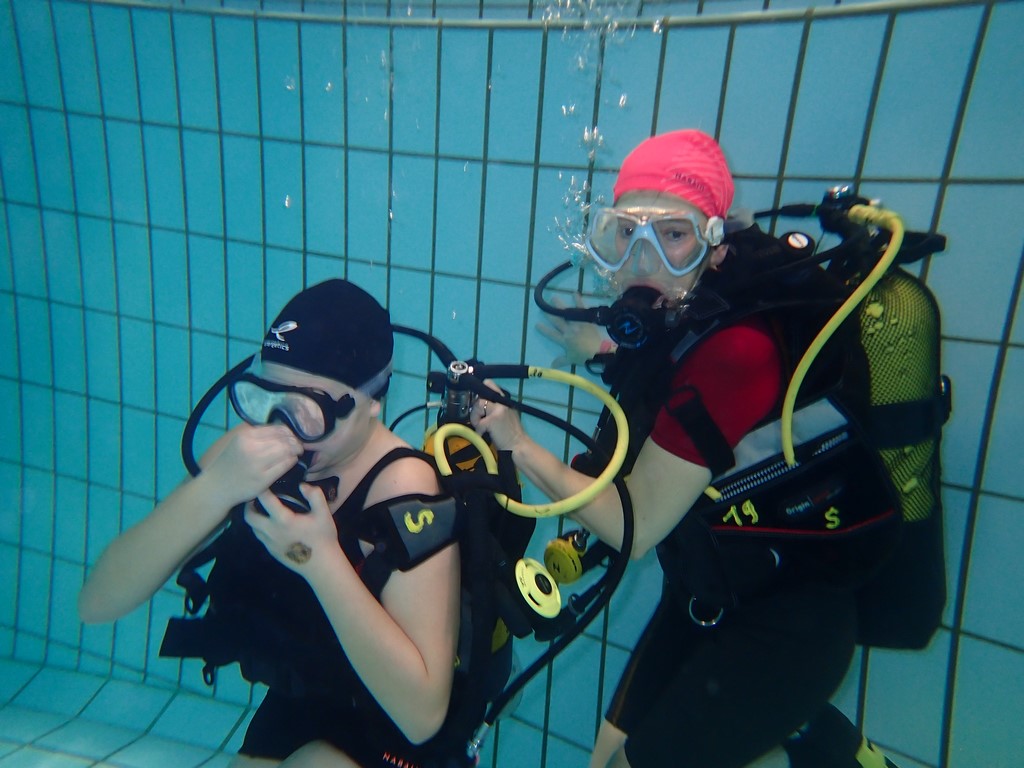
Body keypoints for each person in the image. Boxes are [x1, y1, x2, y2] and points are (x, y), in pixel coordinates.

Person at [472, 130, 899, 768]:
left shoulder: (738, 351)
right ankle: (806, 734)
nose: (642, 261)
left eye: (673, 235)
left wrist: (517, 444)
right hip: (708, 589)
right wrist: (604, 352)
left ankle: (809, 734)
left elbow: (636, 526)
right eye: (624, 233)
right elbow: (670, 378)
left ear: (716, 245)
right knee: (605, 760)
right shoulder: (690, 310)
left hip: (787, 622)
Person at [78, 279, 461, 768]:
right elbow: (97, 603)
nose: (283, 430)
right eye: (266, 398)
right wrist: (214, 489)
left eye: (308, 411)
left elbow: (422, 716)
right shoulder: (246, 455)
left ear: (371, 401)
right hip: (307, 702)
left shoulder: (406, 489)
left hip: (394, 734)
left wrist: (320, 561)